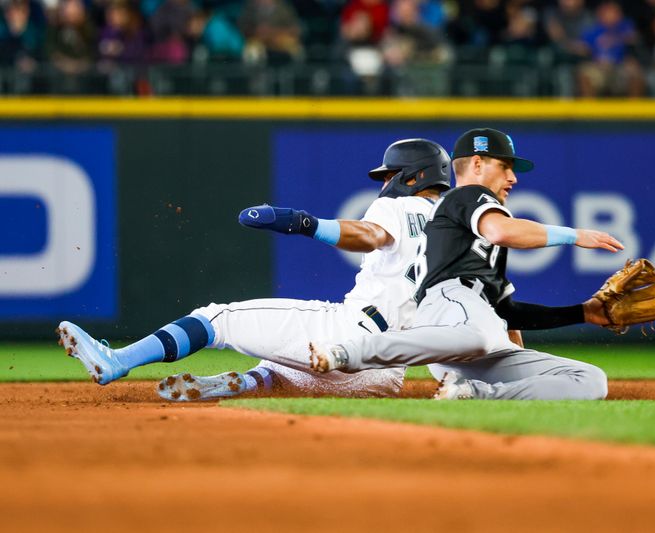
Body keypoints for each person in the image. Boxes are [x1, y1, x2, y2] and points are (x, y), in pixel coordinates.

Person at [57, 138, 452, 400]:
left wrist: (304, 223)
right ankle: (244, 382)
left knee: (216, 318)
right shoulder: (460, 227)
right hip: (385, 375)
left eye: (387, 176)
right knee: (283, 369)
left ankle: (119, 360)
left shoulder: (398, 206)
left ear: (411, 177)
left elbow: (369, 234)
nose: (383, 185)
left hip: (347, 333)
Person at [309, 127, 624, 401]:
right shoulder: (466, 196)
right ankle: (346, 351)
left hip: (474, 327)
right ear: (477, 163)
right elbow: (501, 231)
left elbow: (505, 311)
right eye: (505, 167)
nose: (513, 177)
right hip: (448, 307)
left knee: (590, 379)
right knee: (478, 334)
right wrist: (574, 235)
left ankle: (472, 393)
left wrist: (583, 312)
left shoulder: (484, 230)